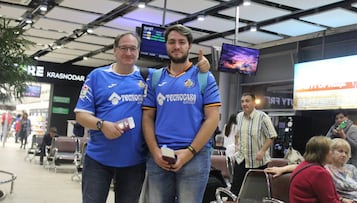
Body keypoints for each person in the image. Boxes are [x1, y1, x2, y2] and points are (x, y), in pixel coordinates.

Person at [74, 31, 211, 203]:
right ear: (114, 50)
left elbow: (177, 75)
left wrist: (201, 69)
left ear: (138, 51)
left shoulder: (150, 77)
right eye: (124, 48)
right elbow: (81, 115)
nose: (129, 53)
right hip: (98, 160)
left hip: (134, 162)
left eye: (133, 48)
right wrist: (101, 125)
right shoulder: (97, 76)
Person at [142, 24, 221, 203]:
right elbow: (147, 118)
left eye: (181, 42)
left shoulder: (204, 77)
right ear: (166, 45)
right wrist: (154, 151)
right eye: (172, 42)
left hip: (195, 156)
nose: (176, 46)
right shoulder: (155, 78)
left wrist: (189, 152)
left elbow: (212, 118)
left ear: (189, 46)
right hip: (160, 155)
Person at [230, 92, 277, 195]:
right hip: (241, 159)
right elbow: (237, 134)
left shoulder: (262, 117)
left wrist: (262, 151)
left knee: (255, 192)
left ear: (254, 103)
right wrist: (236, 146)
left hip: (257, 161)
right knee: (236, 190)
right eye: (242, 101)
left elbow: (272, 136)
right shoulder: (239, 117)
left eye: (247, 101)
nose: (244, 104)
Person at [289, 136, 353, 203]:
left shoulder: (304, 165)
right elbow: (330, 201)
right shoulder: (319, 173)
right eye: (331, 150)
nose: (332, 153)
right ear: (323, 153)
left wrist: (341, 199)